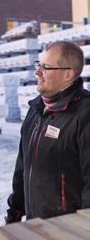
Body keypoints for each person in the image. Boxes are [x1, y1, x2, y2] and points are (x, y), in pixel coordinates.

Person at [5, 41, 90, 224]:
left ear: (68, 74)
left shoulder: (85, 114)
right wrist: (15, 213)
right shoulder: (36, 109)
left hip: (70, 232)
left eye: (45, 68)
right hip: (35, 225)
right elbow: (22, 167)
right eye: (38, 65)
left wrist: (83, 232)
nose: (37, 72)